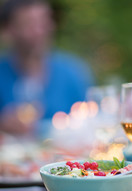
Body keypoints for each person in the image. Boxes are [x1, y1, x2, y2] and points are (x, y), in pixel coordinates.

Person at [0, 0, 94, 134]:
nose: (39, 31)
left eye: (44, 22)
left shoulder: (73, 72)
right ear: (8, 31)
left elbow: (91, 126)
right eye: (29, 24)